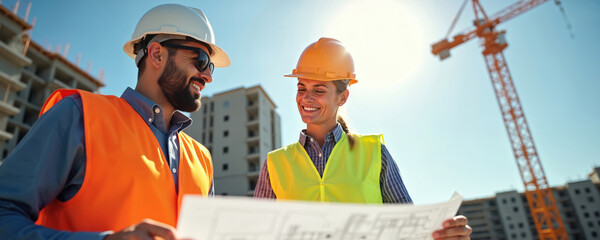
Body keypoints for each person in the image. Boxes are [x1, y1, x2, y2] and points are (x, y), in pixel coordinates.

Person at [0, 4, 229, 240]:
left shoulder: (202, 158)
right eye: (201, 60)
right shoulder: (79, 116)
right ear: (157, 54)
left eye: (210, 66)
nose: (208, 76)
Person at [254, 37, 472, 239]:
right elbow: (255, 232)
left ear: (343, 97)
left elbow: (410, 230)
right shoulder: (275, 163)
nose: (306, 98)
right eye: (301, 88)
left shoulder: (375, 153)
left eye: (319, 90)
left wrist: (444, 236)